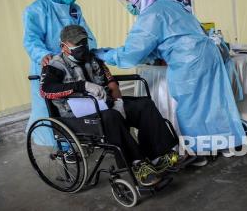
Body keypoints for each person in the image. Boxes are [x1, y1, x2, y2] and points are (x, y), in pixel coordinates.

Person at [96, 0, 246, 165]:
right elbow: (168, 36)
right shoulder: (168, 3)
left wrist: (105, 54)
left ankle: (198, 152)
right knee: (214, 101)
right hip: (209, 53)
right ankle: (226, 144)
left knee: (190, 107)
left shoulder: (150, 16)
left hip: (188, 60)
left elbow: (131, 54)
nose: (127, 4)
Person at [40, 25, 179, 186]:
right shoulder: (54, 66)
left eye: (85, 42)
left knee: (144, 105)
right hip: (77, 116)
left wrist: (119, 103)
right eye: (77, 44)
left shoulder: (93, 59)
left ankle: (158, 155)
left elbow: (111, 82)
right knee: (111, 117)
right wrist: (82, 85)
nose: (83, 47)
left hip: (106, 106)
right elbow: (46, 90)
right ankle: (137, 164)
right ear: (64, 46)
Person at [22, 0, 97, 133]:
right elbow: (31, 38)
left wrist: (89, 52)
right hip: (50, 64)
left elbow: (85, 33)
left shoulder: (74, 9)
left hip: (73, 62)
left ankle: (83, 135)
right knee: (53, 107)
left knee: (77, 101)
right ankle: (62, 143)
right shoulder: (37, 9)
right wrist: (42, 54)